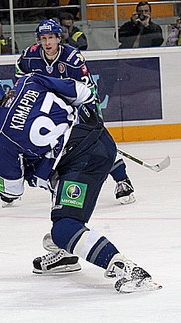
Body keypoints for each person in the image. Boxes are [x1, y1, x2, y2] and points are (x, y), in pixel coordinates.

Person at [0, 72, 162, 293]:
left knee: (64, 229)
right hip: (100, 138)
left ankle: (129, 270)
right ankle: (66, 256)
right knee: (52, 179)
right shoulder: (30, 81)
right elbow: (83, 93)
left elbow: (11, 190)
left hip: (83, 165)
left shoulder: (0, 139)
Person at [16, 19, 136, 205]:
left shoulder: (72, 58)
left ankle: (122, 180)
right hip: (48, 109)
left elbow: (87, 90)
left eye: (51, 38)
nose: (47, 43)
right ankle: (16, 185)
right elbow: (20, 79)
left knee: (98, 141)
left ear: (58, 38)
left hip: (77, 104)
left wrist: (89, 120)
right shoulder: (29, 56)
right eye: (43, 38)